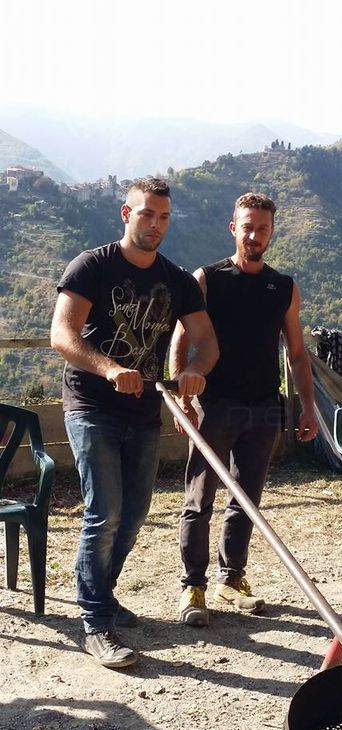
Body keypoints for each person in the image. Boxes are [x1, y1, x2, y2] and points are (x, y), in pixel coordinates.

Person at [51, 177, 219, 667]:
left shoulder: (177, 280)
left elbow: (207, 342)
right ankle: (96, 623)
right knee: (104, 513)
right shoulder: (92, 266)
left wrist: (193, 371)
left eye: (164, 217)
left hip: (144, 413)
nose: (156, 225)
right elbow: (62, 334)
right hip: (91, 407)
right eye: (147, 214)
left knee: (133, 516)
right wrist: (109, 368)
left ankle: (101, 594)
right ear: (127, 214)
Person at [169, 192, 319, 627]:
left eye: (262, 229)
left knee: (247, 499)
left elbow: (296, 353)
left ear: (272, 233)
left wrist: (308, 406)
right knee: (199, 499)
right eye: (247, 227)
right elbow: (181, 340)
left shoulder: (284, 287)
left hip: (264, 407)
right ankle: (192, 586)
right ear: (233, 228)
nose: (254, 236)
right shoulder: (207, 279)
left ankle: (231, 578)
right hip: (214, 404)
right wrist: (182, 398)